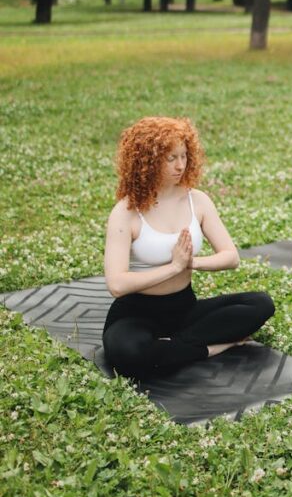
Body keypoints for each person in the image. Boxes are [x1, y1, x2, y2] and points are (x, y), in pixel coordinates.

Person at [102, 116, 275, 378]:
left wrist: (191, 263)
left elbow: (231, 257)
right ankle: (210, 348)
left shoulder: (198, 201)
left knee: (261, 304)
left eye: (183, 156)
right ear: (147, 161)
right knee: (127, 353)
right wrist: (173, 267)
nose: (180, 165)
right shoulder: (126, 212)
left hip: (185, 309)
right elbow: (117, 284)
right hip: (136, 312)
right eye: (170, 158)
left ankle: (170, 348)